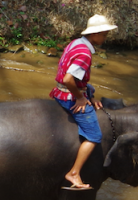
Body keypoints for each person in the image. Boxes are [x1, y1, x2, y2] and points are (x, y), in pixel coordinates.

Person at [49, 14, 116, 190]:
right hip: (68, 96)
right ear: (95, 35)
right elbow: (68, 79)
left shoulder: (76, 43)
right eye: (104, 34)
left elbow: (74, 78)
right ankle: (74, 173)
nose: (105, 38)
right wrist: (80, 97)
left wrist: (89, 94)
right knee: (94, 136)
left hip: (58, 90)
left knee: (90, 88)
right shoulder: (85, 53)